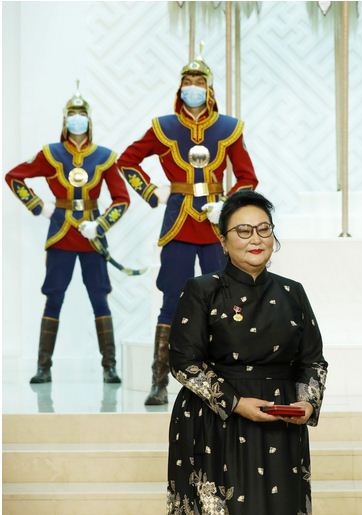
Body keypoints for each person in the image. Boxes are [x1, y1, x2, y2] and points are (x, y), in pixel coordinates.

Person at [166, 190, 327, 515]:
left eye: (263, 229)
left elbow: (313, 360)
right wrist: (235, 403)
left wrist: (307, 402)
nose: (256, 239)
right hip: (215, 421)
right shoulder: (202, 290)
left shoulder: (292, 292)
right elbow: (183, 362)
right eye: (243, 231)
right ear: (223, 241)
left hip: (280, 422)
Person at [117, 50, 258, 405]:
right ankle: (158, 381)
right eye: (187, 82)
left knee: (223, 301)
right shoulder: (164, 127)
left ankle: (225, 381)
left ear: (209, 89)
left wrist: (227, 205)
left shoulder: (228, 128)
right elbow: (128, 161)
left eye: (199, 82)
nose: (193, 88)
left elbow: (247, 177)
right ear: (179, 88)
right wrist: (151, 193)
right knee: (171, 301)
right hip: (178, 223)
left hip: (214, 226)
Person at [4, 82, 130, 384]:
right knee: (53, 298)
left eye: (81, 114)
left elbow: (121, 199)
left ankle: (109, 366)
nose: (77, 119)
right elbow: (14, 177)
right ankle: (43, 367)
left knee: (99, 299)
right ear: (65, 120)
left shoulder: (104, 156)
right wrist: (39, 207)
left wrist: (100, 225)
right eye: (72, 114)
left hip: (91, 237)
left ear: (89, 120)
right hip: (61, 234)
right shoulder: (51, 153)